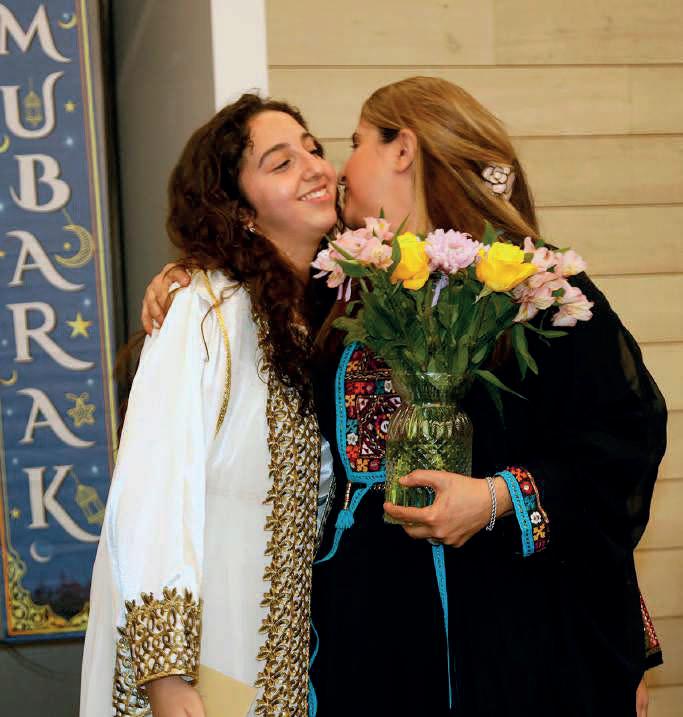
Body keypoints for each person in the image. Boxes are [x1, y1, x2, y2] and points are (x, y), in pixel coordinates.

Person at [141, 77, 665, 717]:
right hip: (370, 636)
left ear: (403, 149)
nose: (337, 169)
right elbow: (256, 275)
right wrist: (191, 275)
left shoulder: (535, 286)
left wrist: (495, 498)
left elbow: (619, 443)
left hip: (520, 626)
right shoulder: (337, 289)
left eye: (354, 142)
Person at [80, 94, 339, 717]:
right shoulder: (204, 310)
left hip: (285, 657)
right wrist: (166, 674)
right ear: (240, 210)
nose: (314, 167)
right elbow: (152, 488)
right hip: (206, 656)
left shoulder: (323, 316)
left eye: (313, 149)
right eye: (280, 162)